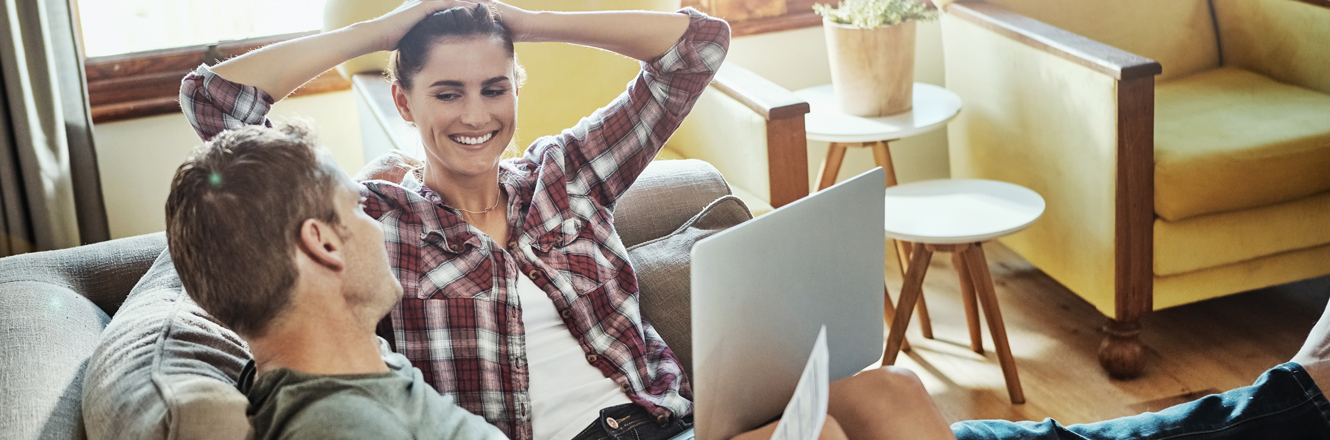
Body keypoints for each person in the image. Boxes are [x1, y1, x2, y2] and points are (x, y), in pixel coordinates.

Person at [179, 2, 955, 440]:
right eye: (447, 93)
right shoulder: (380, 223)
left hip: (670, 423)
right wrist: (386, 33)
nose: (477, 115)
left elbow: (697, 49)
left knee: (891, 391)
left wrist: (531, 20)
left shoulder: (567, 172)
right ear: (405, 102)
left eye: (495, 87)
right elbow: (217, 105)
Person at [164, 122, 507, 440]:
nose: (375, 223)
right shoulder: (344, 427)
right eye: (358, 206)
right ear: (324, 244)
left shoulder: (354, 361)